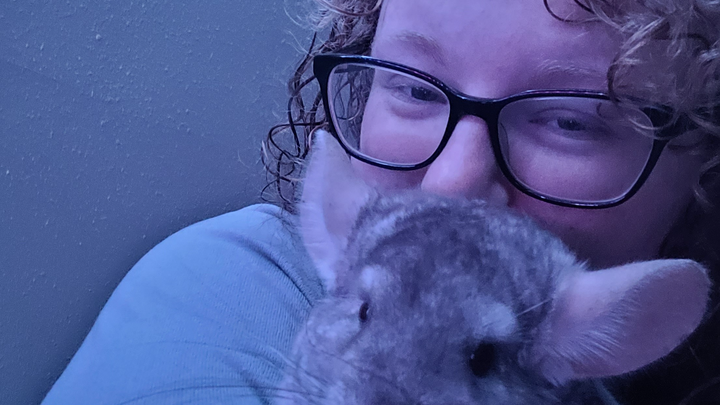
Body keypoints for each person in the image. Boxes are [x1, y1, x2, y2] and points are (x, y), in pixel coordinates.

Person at [43, 0, 720, 404]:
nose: (452, 183)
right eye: (416, 87)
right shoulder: (228, 288)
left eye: (571, 120)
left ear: (705, 167)